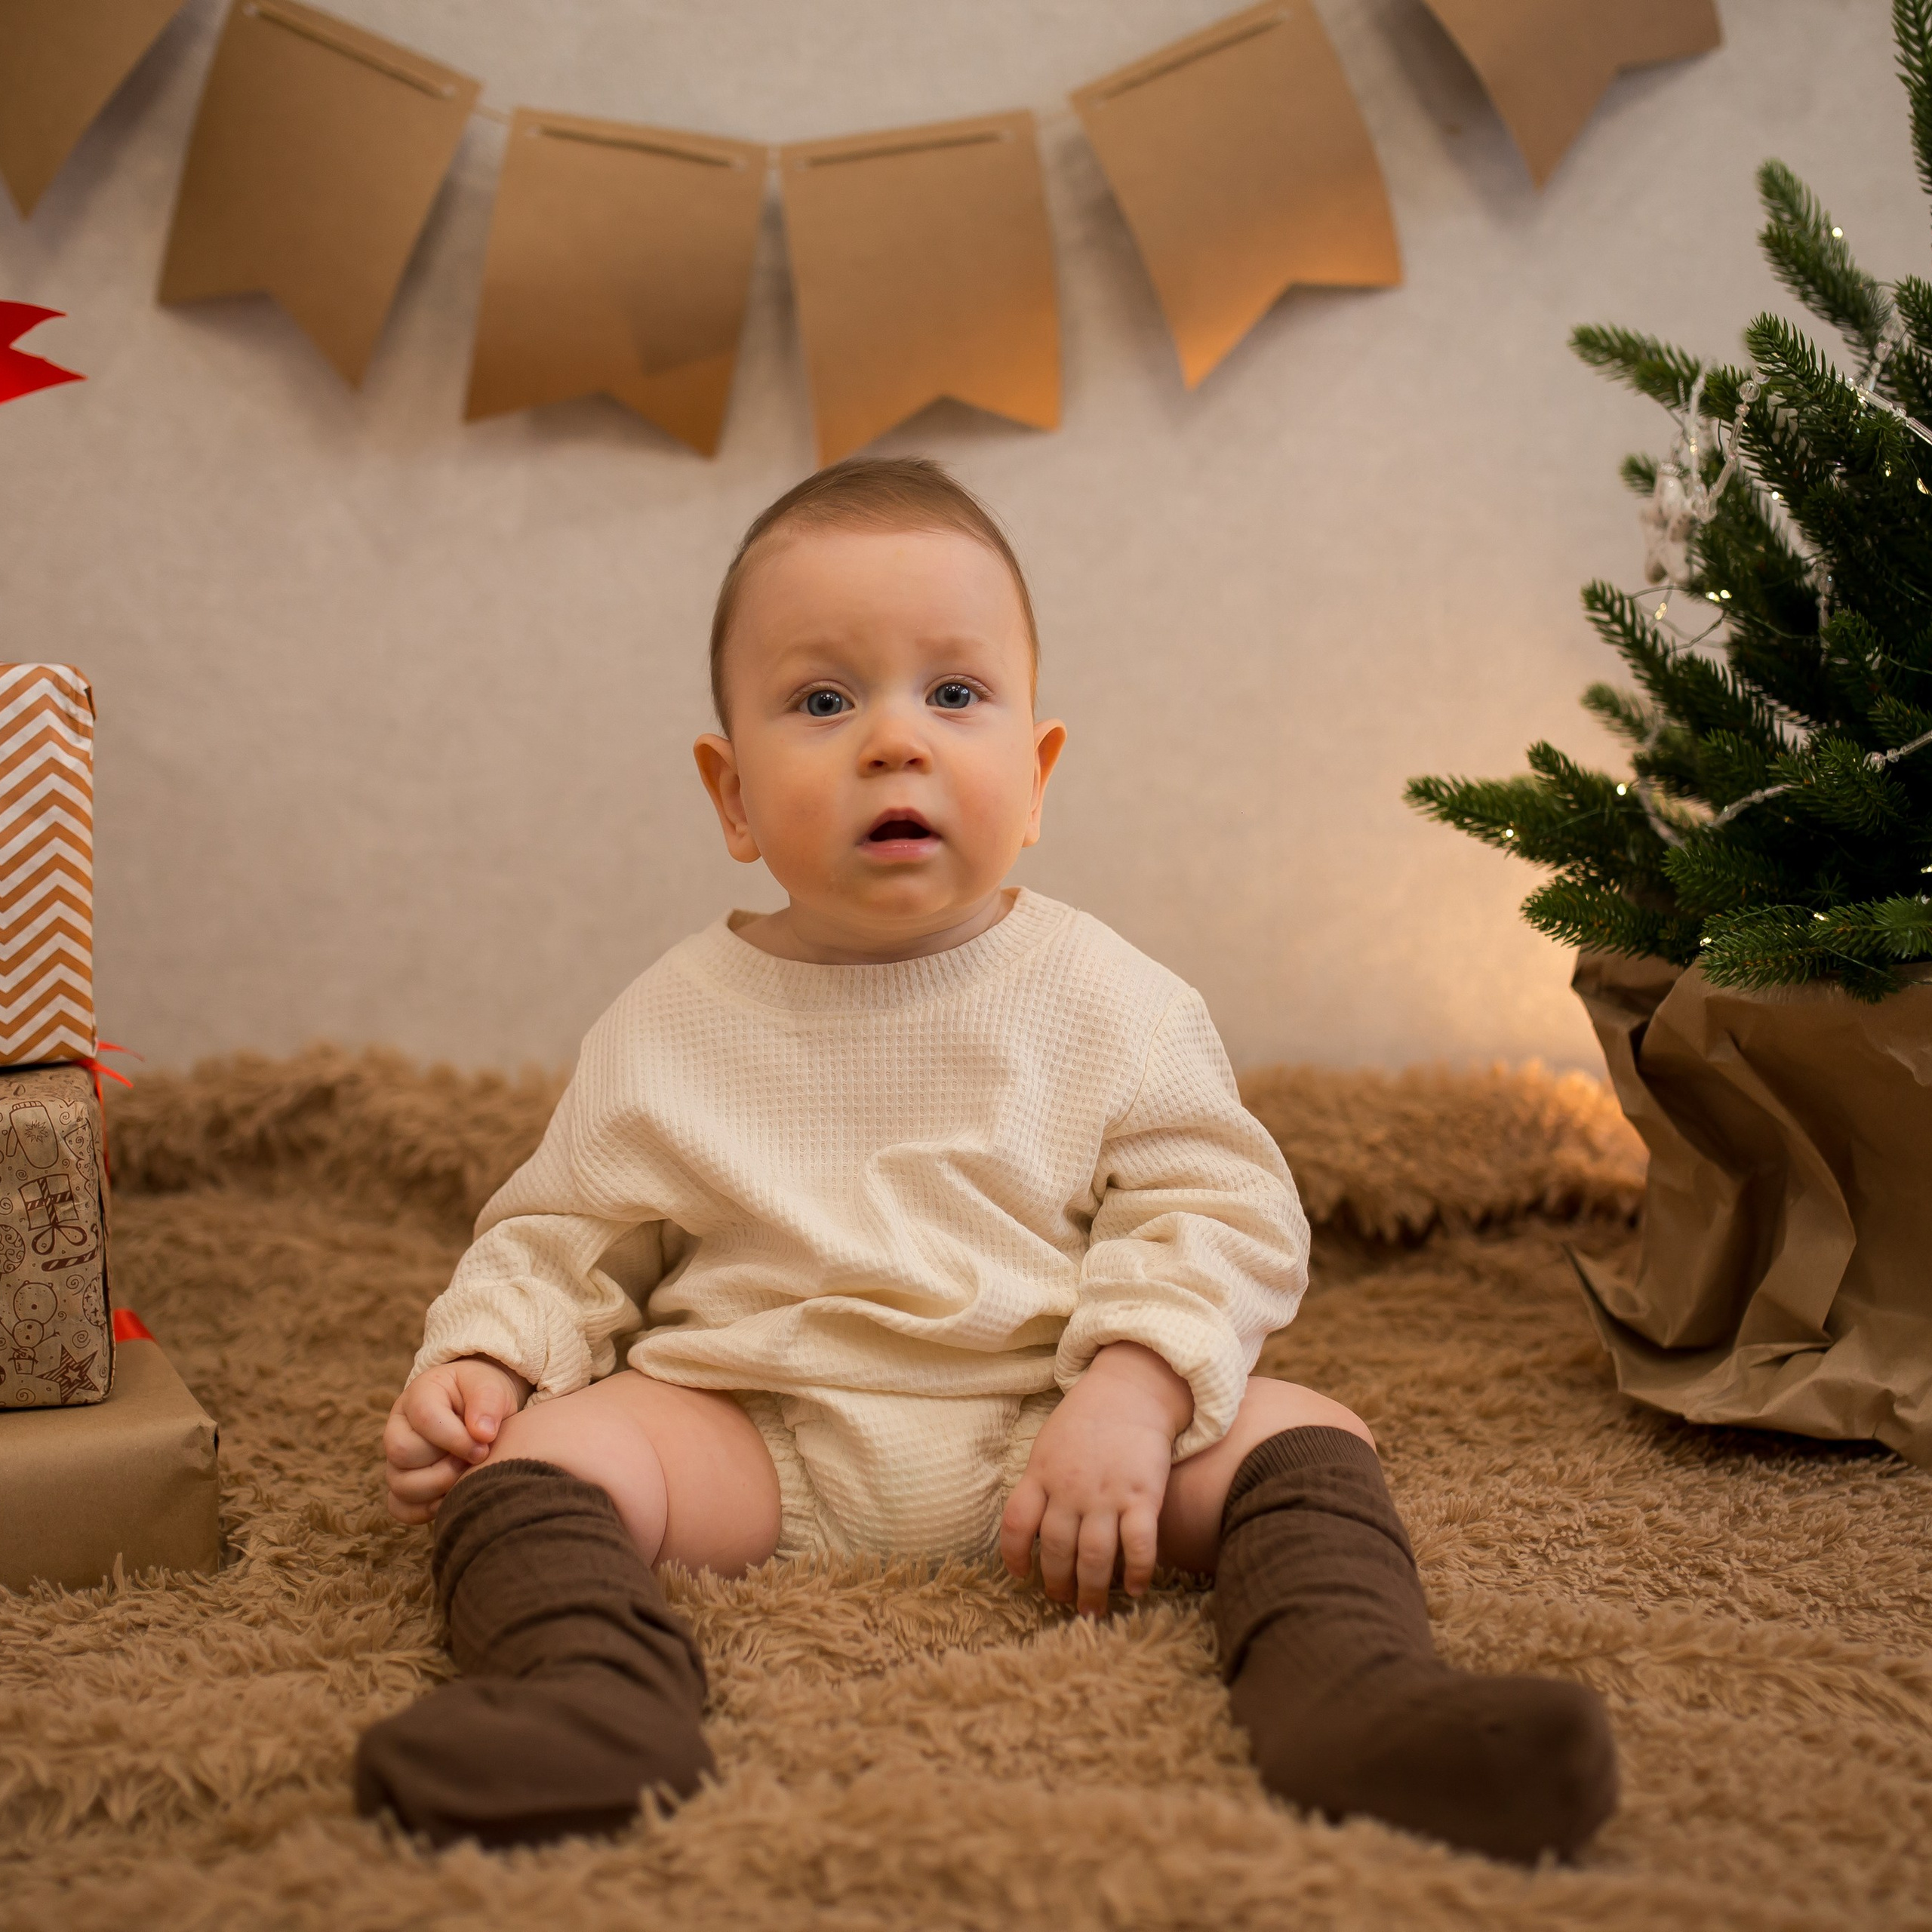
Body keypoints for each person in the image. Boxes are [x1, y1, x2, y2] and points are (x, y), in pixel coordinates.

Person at [355, 458, 1616, 1863]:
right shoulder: (671, 1020)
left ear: (1036, 773)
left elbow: (1219, 1203)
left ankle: (1361, 1700)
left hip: (1049, 1417)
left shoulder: (1105, 997)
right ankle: (587, 1699)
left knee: (1306, 1435)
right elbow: (565, 1235)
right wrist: (487, 1364)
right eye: (824, 701)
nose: (895, 741)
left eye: (955, 695)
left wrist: (1135, 1393)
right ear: (731, 796)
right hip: (756, 1430)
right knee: (541, 1466)